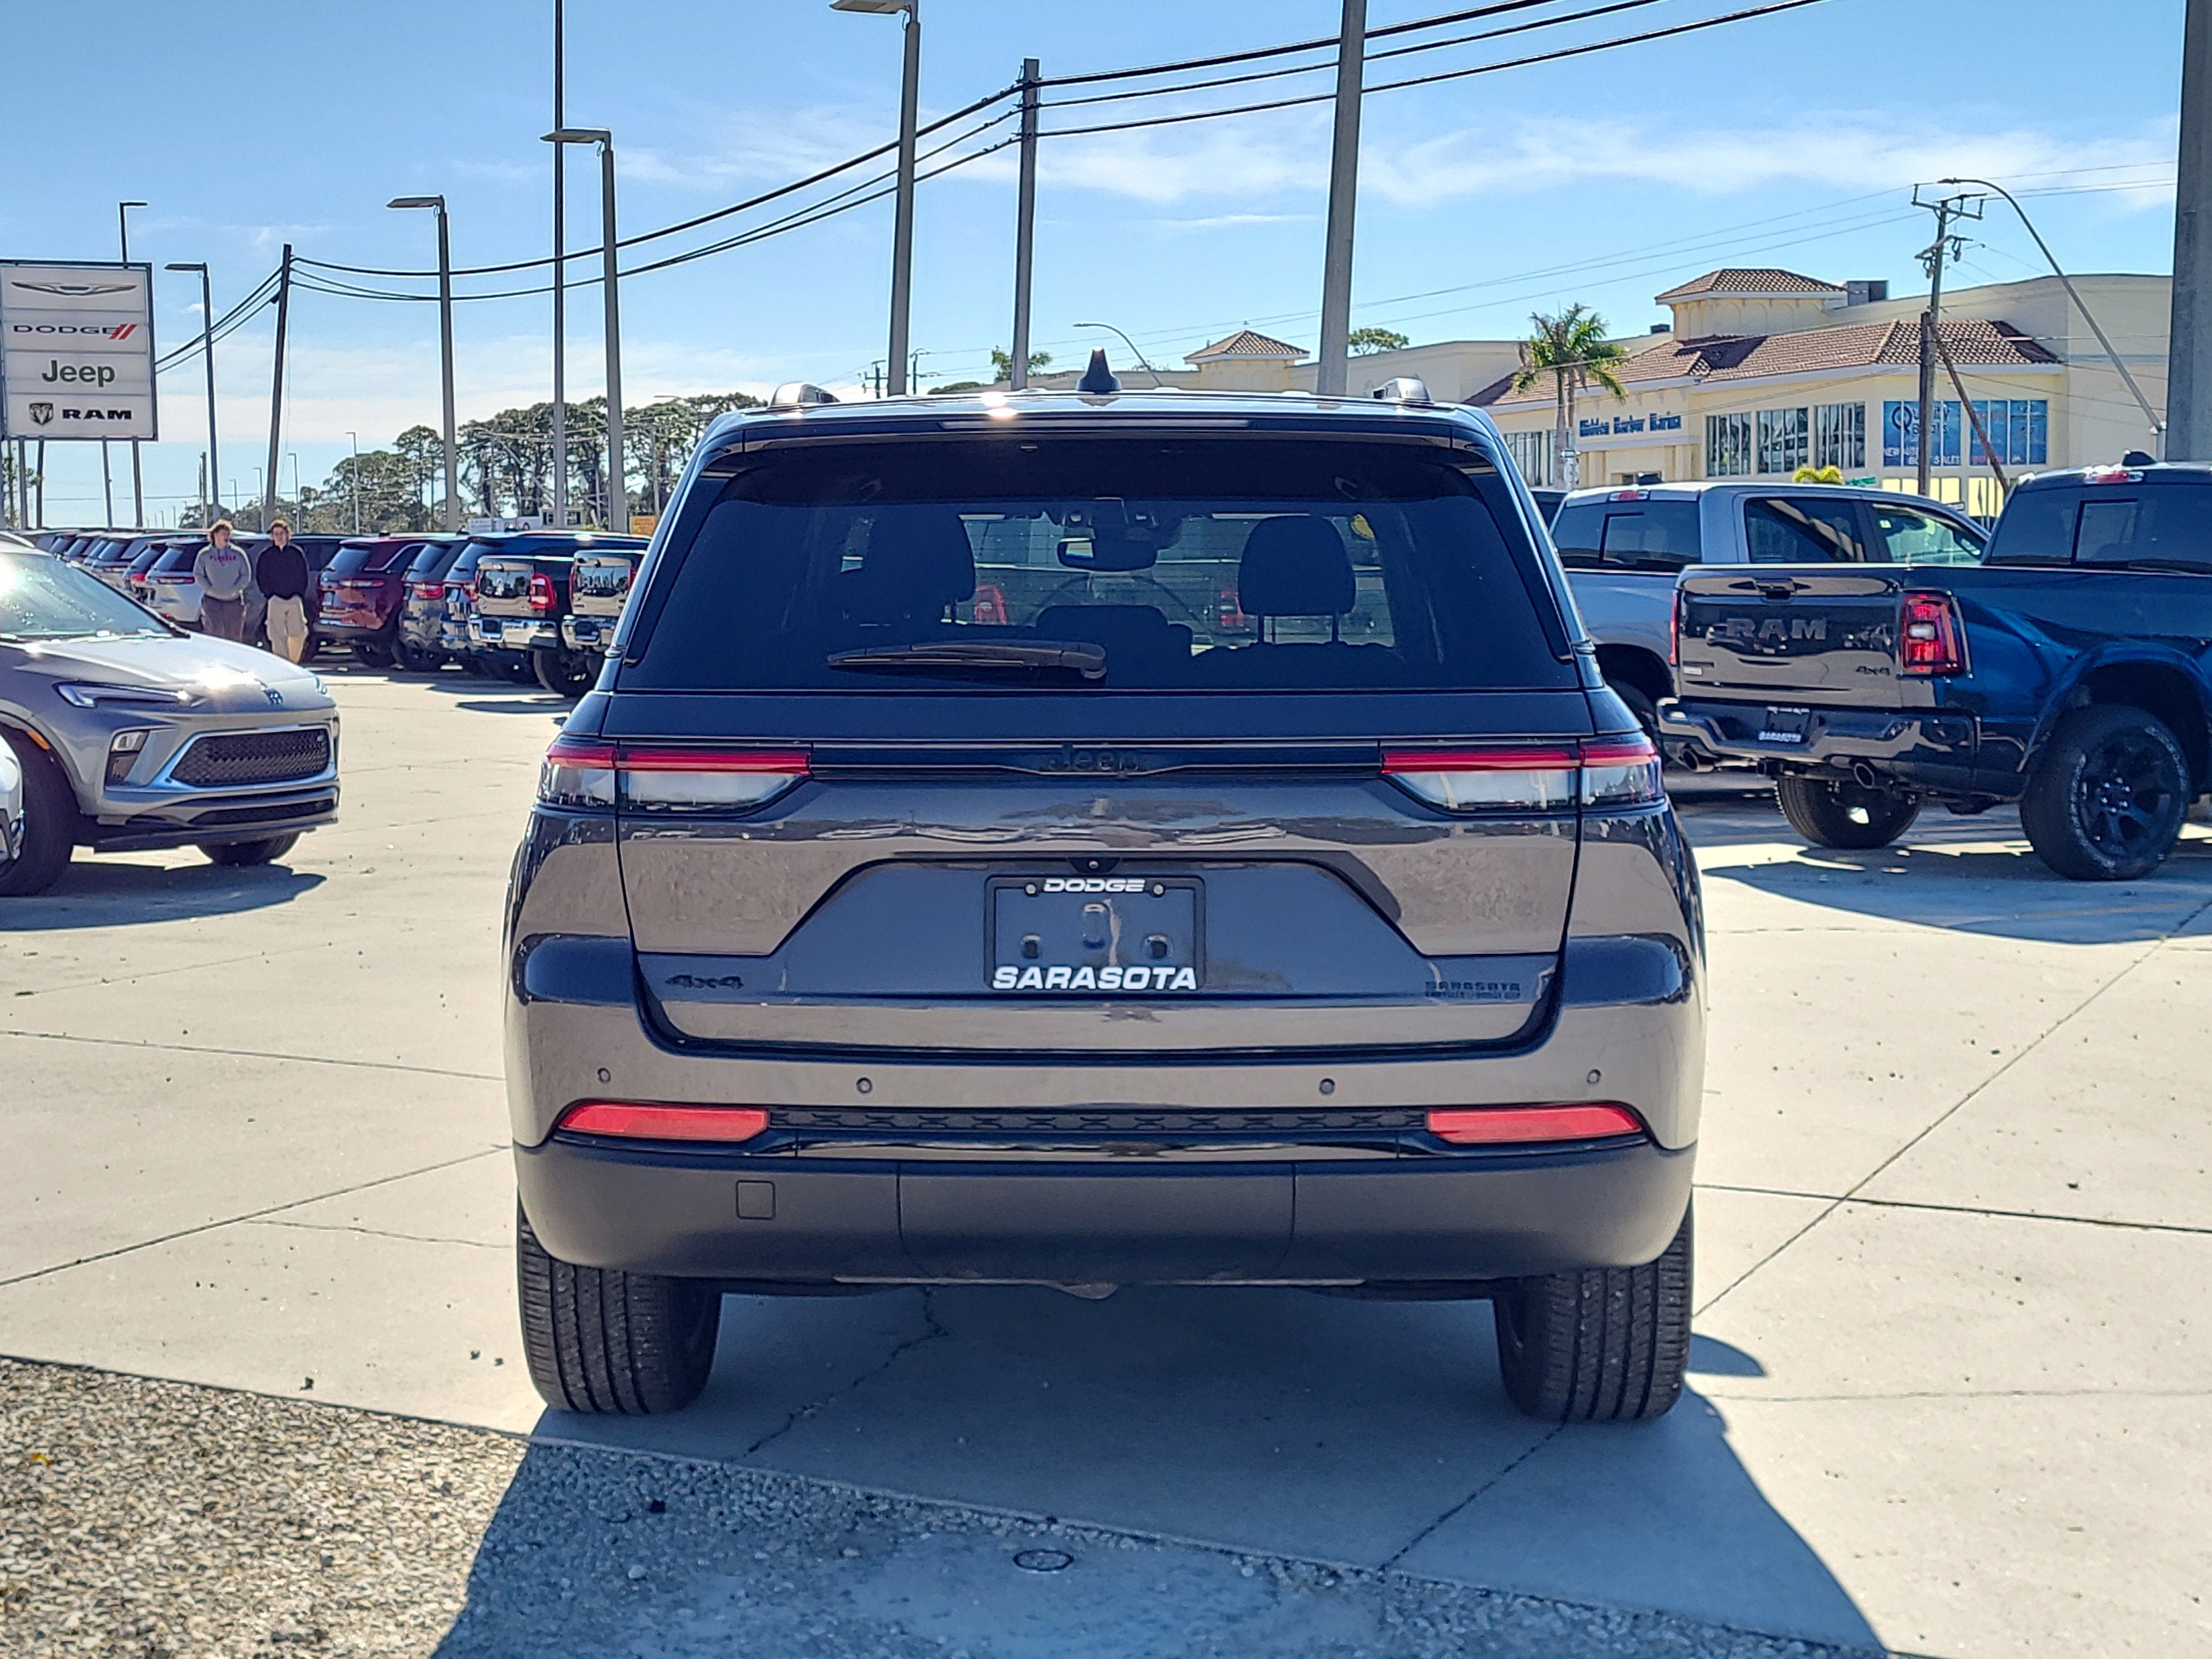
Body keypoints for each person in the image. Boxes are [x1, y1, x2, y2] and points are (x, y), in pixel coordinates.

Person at [257, 520, 311, 663]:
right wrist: (269, 594)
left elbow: (304, 575)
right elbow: (261, 576)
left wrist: (299, 594)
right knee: (276, 635)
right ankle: (283, 663)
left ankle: (294, 662)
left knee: (298, 634)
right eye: (276, 534)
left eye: (282, 533)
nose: (279, 537)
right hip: (275, 600)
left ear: (288, 535)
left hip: (294, 599)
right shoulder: (267, 555)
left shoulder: (296, 553)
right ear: (272, 536)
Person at [193, 521, 253, 642]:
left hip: (234, 602)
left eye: (228, 534)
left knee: (234, 636)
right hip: (212, 602)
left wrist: (236, 589)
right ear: (215, 535)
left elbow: (246, 575)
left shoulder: (238, 554)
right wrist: (209, 589)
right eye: (223, 534)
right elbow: (198, 575)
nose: (227, 537)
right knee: (216, 634)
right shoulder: (204, 555)